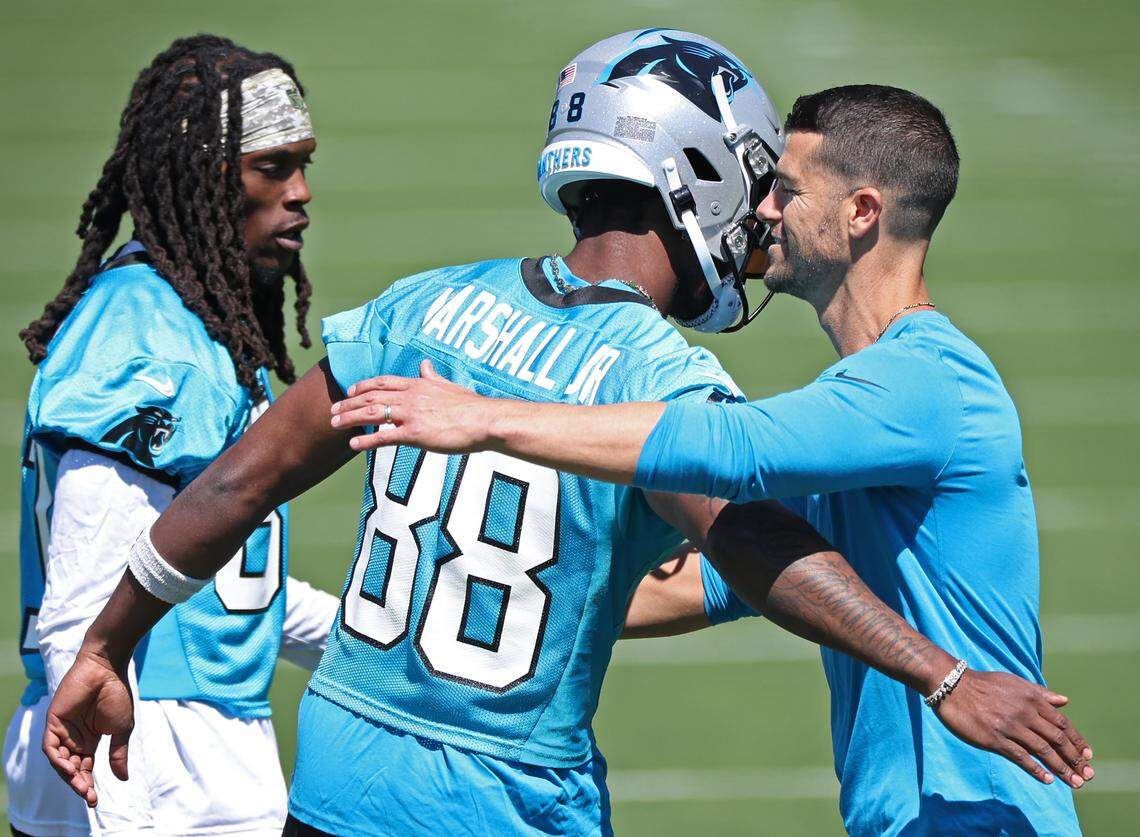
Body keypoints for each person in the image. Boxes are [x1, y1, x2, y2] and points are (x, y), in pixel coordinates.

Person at [45, 35, 1089, 836]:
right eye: (752, 180)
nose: (760, 216)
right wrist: (944, 677)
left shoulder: (424, 306)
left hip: (337, 776)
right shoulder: (661, 377)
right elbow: (752, 538)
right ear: (692, 174)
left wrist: (109, 642)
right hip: (505, 800)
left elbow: (236, 485)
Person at [329, 84, 1092, 833]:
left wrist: (485, 419)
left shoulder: (926, 382)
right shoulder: (865, 412)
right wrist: (446, 602)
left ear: (862, 213)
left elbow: (729, 449)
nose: (759, 211)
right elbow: (735, 577)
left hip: (980, 815)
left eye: (785, 190)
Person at [5, 35, 337, 836]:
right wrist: (116, 808)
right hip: (154, 768)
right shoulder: (144, 339)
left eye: (304, 165)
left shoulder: (202, 318)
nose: (299, 193)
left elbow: (217, 584)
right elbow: (85, 605)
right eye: (272, 167)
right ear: (210, 175)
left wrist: (380, 637)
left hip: (196, 757)